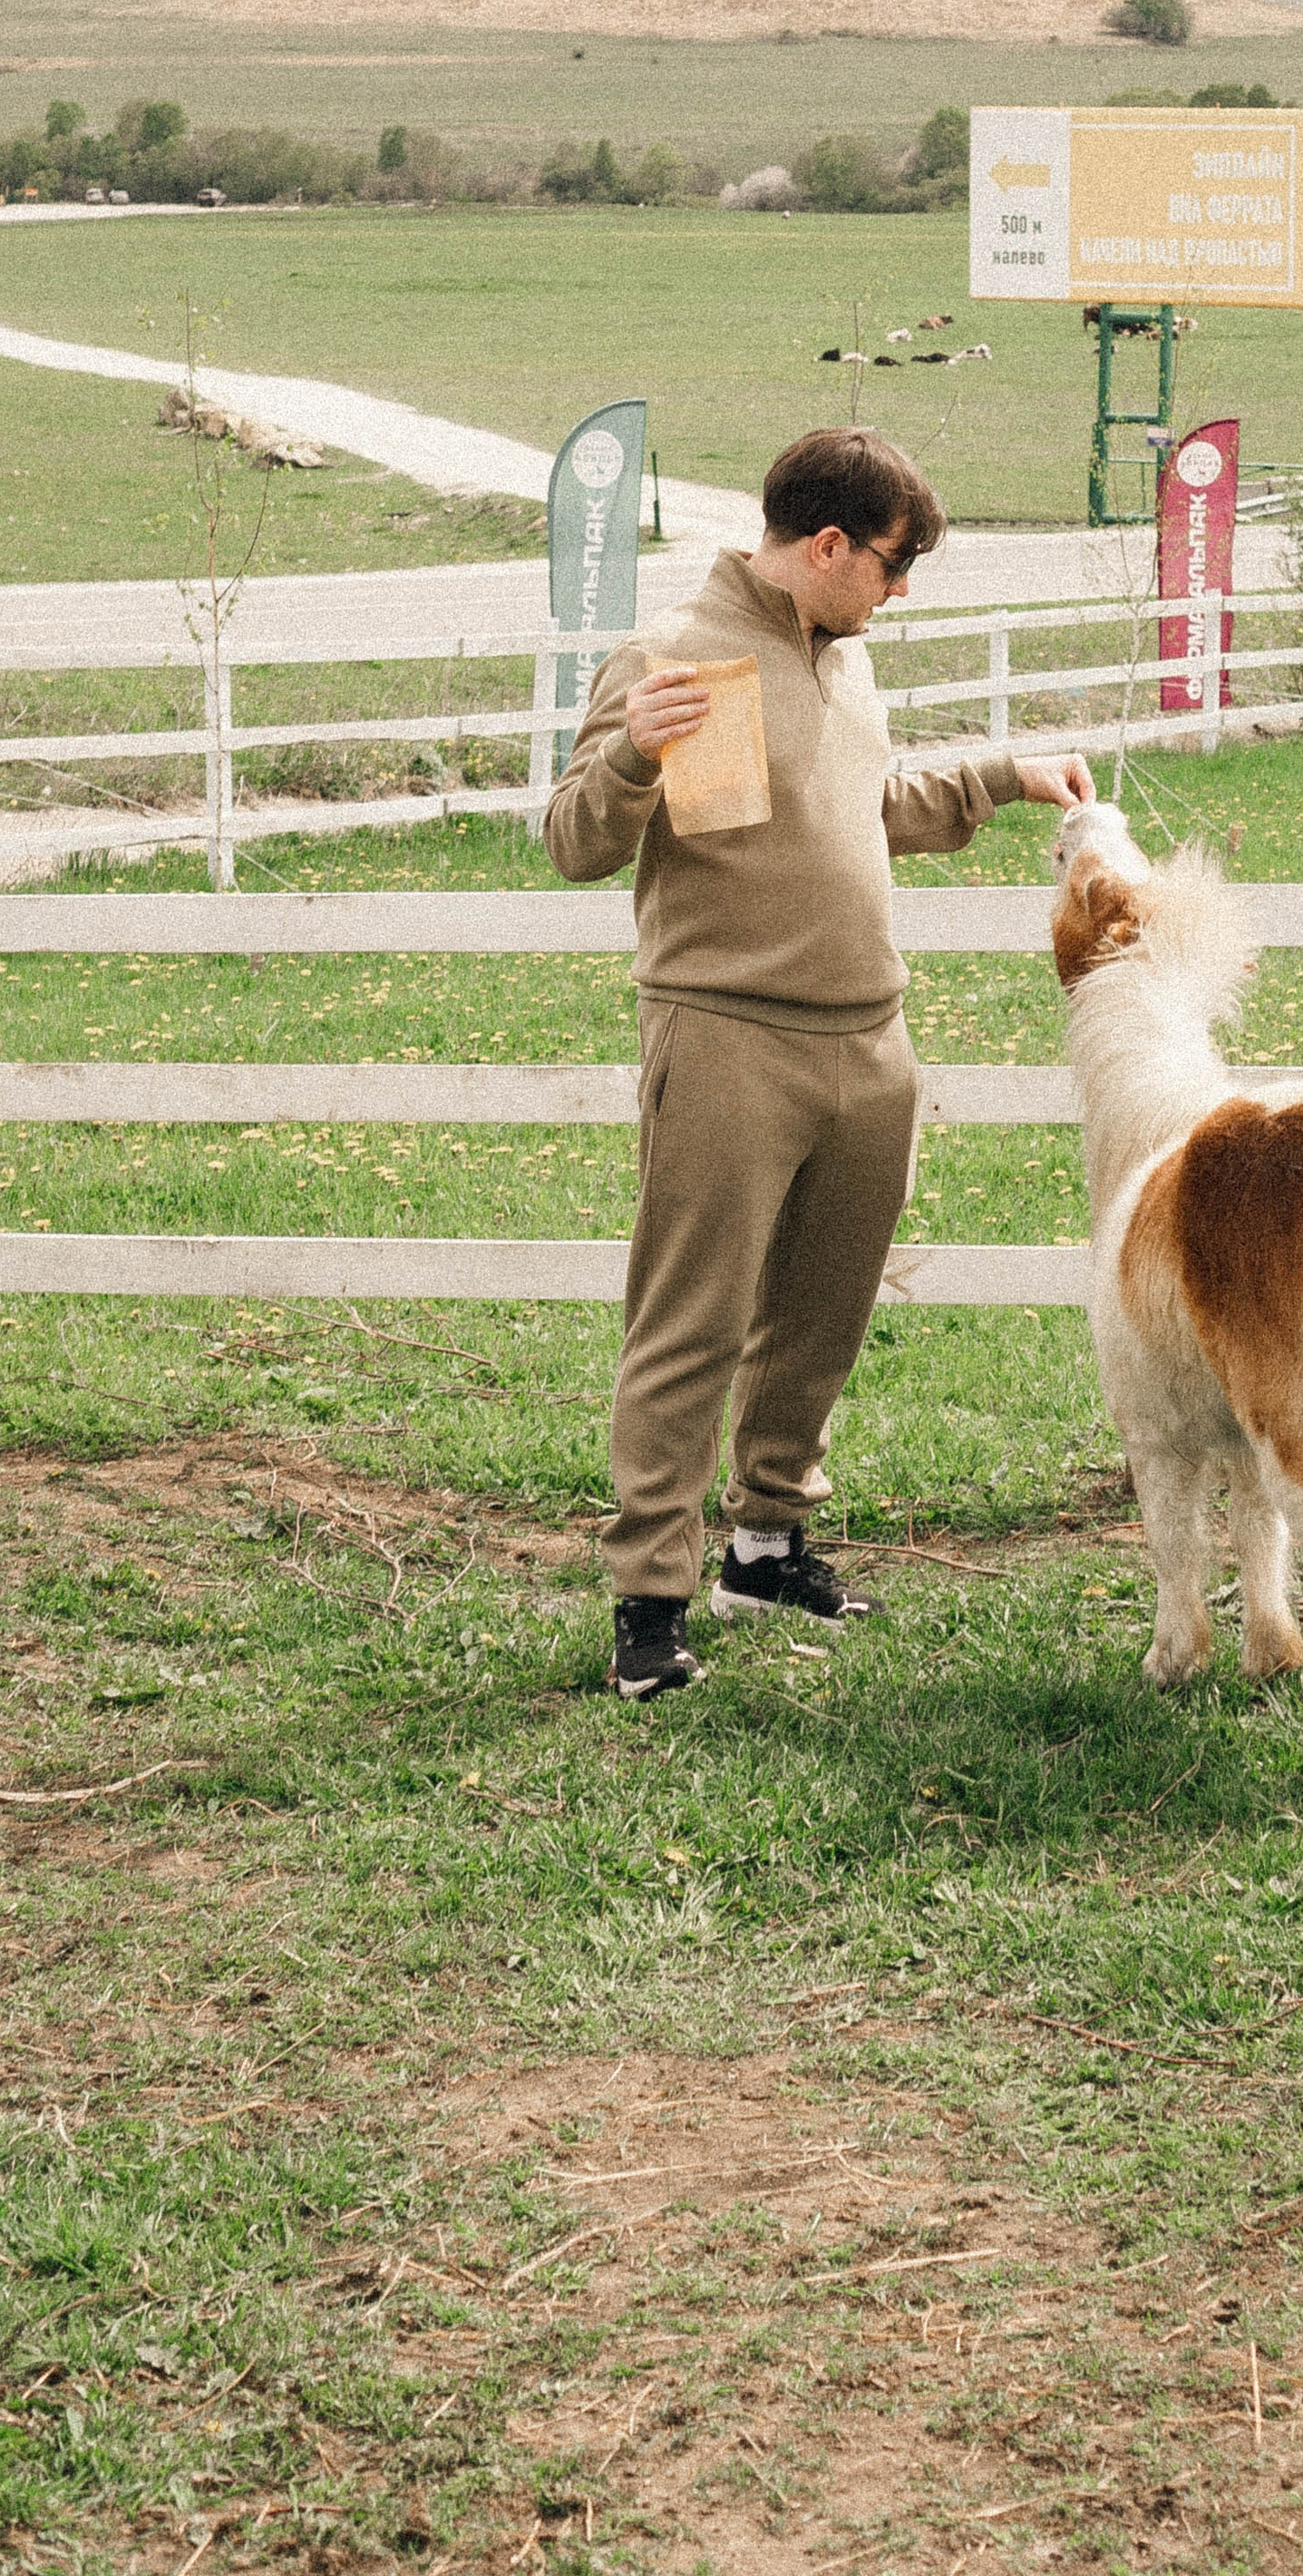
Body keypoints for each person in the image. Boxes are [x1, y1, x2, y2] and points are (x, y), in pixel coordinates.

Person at [547, 427, 1094, 1699]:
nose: (900, 597)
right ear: (831, 546)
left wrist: (1001, 776)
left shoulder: (837, 657)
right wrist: (632, 754)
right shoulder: (677, 662)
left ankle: (767, 1541)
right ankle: (649, 1597)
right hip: (729, 1039)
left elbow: (863, 805)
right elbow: (575, 839)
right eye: (894, 569)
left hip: (870, 1039)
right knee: (692, 1322)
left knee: (825, 1314)